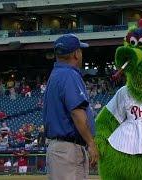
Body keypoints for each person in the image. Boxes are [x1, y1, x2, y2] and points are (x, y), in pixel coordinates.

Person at [43, 34, 99, 180]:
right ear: (75, 54)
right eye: (80, 50)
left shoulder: (56, 74)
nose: (81, 54)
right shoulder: (69, 74)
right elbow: (77, 113)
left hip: (60, 149)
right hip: (68, 149)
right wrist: (91, 143)